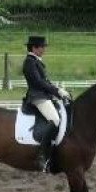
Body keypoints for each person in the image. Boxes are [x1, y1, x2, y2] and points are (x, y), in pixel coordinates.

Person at [22, 35, 71, 172]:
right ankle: (42, 155)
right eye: (42, 47)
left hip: (45, 95)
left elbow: (46, 81)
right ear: (34, 48)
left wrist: (59, 91)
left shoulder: (37, 61)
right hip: (37, 97)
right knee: (55, 120)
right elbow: (38, 83)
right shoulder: (29, 62)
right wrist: (57, 91)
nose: (44, 49)